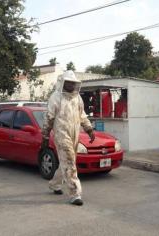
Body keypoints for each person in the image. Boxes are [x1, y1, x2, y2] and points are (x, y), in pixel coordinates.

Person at [42, 70, 95, 206]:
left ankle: (54, 184)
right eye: (69, 83)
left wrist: (89, 129)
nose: (71, 85)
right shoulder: (56, 97)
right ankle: (75, 194)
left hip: (74, 134)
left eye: (73, 83)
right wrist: (45, 135)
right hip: (61, 134)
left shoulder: (77, 98)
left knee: (67, 162)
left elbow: (82, 115)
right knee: (70, 162)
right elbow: (49, 117)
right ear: (63, 83)